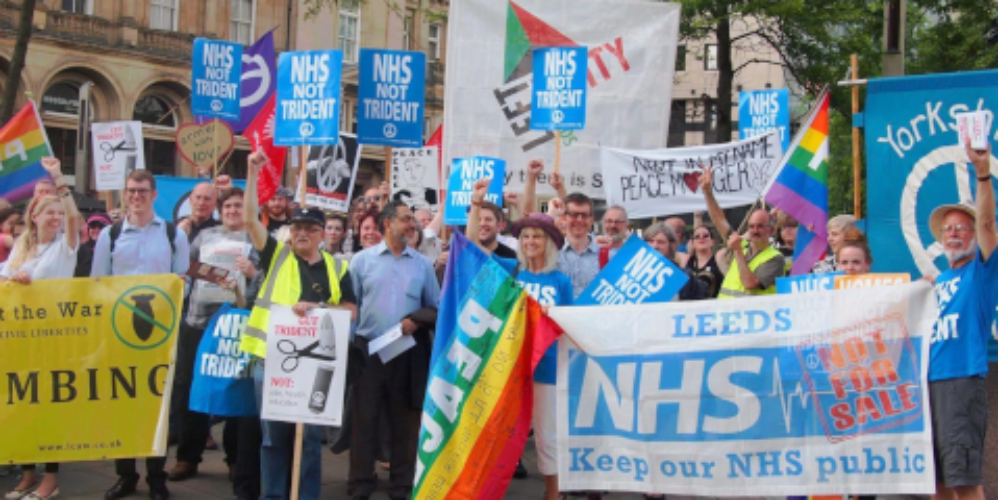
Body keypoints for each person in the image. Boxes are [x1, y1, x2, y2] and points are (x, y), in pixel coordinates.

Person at [240, 152, 357, 500]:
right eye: (297, 228)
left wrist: (319, 309)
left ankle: (305, 496)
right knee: (273, 436)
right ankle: (274, 496)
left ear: (323, 234)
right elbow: (249, 218)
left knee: (307, 440)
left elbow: (350, 310)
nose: (301, 233)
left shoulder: (338, 268)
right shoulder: (276, 254)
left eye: (309, 229)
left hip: (317, 366)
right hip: (270, 361)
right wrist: (251, 172)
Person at [466, 178, 571, 500]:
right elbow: (472, 248)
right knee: (498, 430)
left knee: (546, 437)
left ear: (548, 242)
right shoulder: (511, 270)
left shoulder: (561, 281)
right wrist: (475, 204)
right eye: (525, 236)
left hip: (547, 369)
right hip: (508, 366)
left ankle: (552, 493)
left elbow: (569, 325)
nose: (530, 241)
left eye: (537, 236)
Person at [91, 170, 190, 500]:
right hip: (121, 331)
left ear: (154, 194)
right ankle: (126, 474)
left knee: (156, 406)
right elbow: (98, 283)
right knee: (123, 403)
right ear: (125, 193)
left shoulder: (174, 234)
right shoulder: (111, 233)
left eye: (142, 191)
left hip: (159, 334)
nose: (136, 196)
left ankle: (156, 476)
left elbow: (182, 283)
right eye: (131, 191)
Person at [347, 200, 440, 500]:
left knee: (405, 422)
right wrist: (350, 350)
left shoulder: (422, 264)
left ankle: (401, 485)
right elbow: (351, 307)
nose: (412, 225)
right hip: (369, 352)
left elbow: (436, 307)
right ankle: (360, 482)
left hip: (408, 353)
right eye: (406, 219)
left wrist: (417, 320)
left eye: (412, 220)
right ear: (388, 223)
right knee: (364, 420)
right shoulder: (361, 262)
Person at [0, 158, 80, 500]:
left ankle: (51, 478)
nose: (56, 219)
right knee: (24, 403)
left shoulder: (66, 247)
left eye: (58, 214)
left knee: (50, 408)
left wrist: (60, 179)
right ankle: (28, 473)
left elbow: (76, 219)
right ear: (33, 216)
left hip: (53, 337)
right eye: (49, 213)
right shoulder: (21, 247)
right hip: (21, 338)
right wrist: (12, 276)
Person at [169, 187, 260, 484]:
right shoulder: (204, 237)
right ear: (221, 210)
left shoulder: (255, 240)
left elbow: (267, 281)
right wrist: (205, 273)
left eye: (238, 206)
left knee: (235, 390)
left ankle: (235, 460)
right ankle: (187, 457)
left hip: (235, 325)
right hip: (199, 322)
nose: (233, 211)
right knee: (192, 389)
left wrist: (251, 274)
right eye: (229, 206)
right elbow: (185, 268)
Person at [924, 141, 996, 500]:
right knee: (936, 482)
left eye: (961, 228)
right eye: (947, 229)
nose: (953, 233)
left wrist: (982, 173)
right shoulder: (935, 282)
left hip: (961, 381)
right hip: (927, 385)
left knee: (963, 481)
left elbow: (986, 221)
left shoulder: (980, 273)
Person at [699, 166, 784, 298]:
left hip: (752, 316)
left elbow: (749, 283)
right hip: (726, 314)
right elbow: (718, 219)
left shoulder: (775, 258)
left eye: (760, 226)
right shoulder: (742, 244)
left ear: (771, 230)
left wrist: (737, 251)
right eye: (751, 226)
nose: (755, 231)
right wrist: (707, 192)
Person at [642, 222, 706, 301]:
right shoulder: (631, 273)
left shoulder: (684, 277)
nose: (655, 246)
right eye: (651, 241)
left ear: (672, 245)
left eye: (660, 242)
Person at [558, 192, 600, 298]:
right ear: (563, 218)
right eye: (574, 215)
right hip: (560, 314)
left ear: (591, 220)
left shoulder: (606, 253)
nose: (580, 220)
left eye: (584, 215)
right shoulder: (552, 252)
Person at [684, 225, 726, 298]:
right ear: (692, 243)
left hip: (713, 306)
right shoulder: (686, 260)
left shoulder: (719, 258)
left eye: (706, 236)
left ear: (712, 241)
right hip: (690, 307)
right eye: (697, 236)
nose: (701, 238)